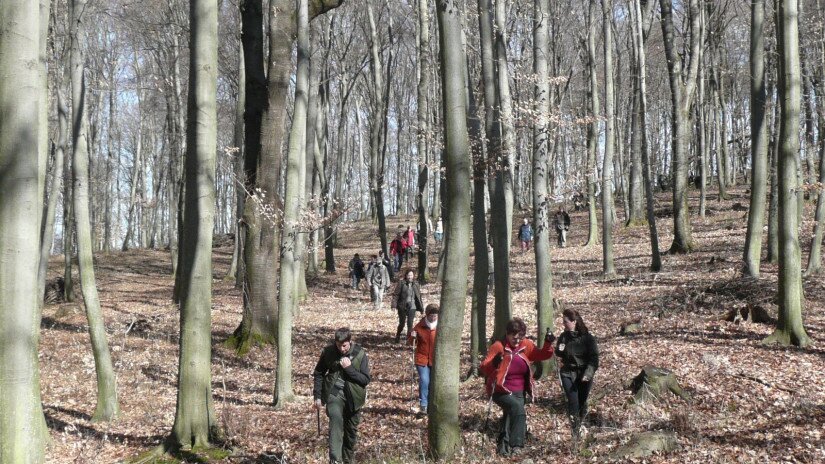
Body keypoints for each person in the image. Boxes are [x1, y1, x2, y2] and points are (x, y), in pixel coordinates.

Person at [480, 318, 555, 457]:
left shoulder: (526, 345)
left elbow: (543, 354)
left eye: (520, 335)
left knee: (510, 415)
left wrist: (548, 343)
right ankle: (517, 445)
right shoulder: (498, 346)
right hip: (500, 390)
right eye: (513, 335)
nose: (516, 339)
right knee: (517, 409)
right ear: (507, 334)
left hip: (519, 390)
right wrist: (494, 362)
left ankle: (503, 447)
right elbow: (484, 368)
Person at [313, 327, 371, 464]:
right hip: (334, 394)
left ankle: (347, 460)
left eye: (344, 346)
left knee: (351, 433)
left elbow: (365, 380)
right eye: (339, 346)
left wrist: (349, 369)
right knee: (335, 422)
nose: (342, 349)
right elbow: (319, 373)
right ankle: (335, 460)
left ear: (349, 342)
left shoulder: (360, 354)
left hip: (354, 398)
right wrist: (317, 396)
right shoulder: (328, 352)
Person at [555, 308, 599, 439]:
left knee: (582, 401)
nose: (564, 324)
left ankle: (583, 426)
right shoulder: (563, 337)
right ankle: (575, 432)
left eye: (566, 322)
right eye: (563, 322)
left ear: (574, 321)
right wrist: (557, 348)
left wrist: (588, 373)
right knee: (573, 401)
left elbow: (594, 359)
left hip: (584, 374)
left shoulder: (588, 338)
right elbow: (559, 352)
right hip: (568, 373)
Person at [407, 304, 439, 414]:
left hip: (436, 359)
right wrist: (412, 336)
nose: (434, 318)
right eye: (432, 316)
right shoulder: (419, 326)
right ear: (427, 314)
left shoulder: (440, 326)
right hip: (422, 359)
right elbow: (411, 342)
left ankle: (432, 404)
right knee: (425, 381)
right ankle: (423, 405)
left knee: (433, 383)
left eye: (435, 316)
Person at [392, 269, 423, 343]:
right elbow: (396, 295)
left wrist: (422, 308)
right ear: (406, 276)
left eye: (411, 275)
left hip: (412, 306)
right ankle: (398, 335)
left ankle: (409, 339)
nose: (410, 277)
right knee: (402, 323)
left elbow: (419, 296)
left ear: (413, 276)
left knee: (410, 324)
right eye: (408, 275)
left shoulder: (416, 284)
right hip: (402, 305)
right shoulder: (401, 283)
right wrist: (393, 305)